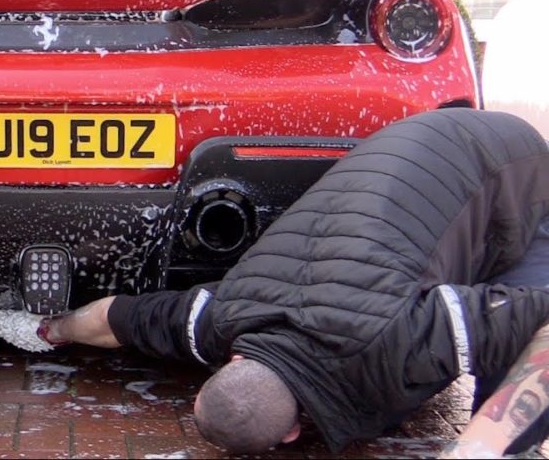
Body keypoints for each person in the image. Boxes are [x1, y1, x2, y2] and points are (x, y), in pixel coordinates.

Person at [37, 107, 549, 457]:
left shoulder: (398, 343)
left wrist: (477, 444)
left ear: (290, 435)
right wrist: (52, 329)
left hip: (510, 162)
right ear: (234, 361)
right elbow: (117, 320)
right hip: (412, 139)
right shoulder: (224, 316)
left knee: (517, 353)